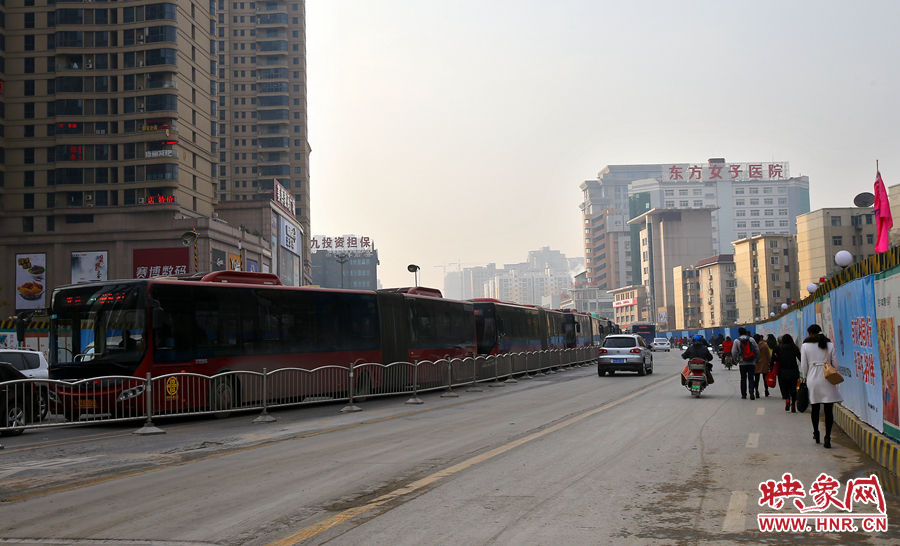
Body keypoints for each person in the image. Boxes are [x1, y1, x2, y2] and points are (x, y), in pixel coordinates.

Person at [800, 324, 843, 448]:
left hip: (813, 378)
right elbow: (836, 365)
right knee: (828, 409)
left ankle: (816, 432)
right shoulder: (829, 345)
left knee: (815, 407)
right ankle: (828, 437)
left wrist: (806, 376)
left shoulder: (805, 346)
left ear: (810, 334)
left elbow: (804, 366)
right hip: (827, 378)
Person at [773, 334, 801, 412]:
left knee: (784, 387)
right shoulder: (795, 348)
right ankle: (793, 405)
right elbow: (801, 358)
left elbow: (774, 359)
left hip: (782, 371)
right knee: (793, 388)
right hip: (793, 371)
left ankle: (787, 399)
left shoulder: (779, 348)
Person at [732, 328, 759, 399]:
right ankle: (751, 390)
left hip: (742, 362)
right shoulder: (752, 339)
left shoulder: (737, 341)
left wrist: (735, 360)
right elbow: (756, 349)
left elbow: (734, 352)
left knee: (743, 378)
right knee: (751, 377)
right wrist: (757, 359)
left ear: (739, 333)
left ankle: (744, 394)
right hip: (751, 362)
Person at [754, 333, 771, 398]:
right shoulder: (765, 345)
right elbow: (768, 355)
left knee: (756, 379)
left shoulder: (753, 346)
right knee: (765, 378)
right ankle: (766, 390)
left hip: (756, 363)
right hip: (764, 363)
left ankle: (756, 391)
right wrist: (770, 363)